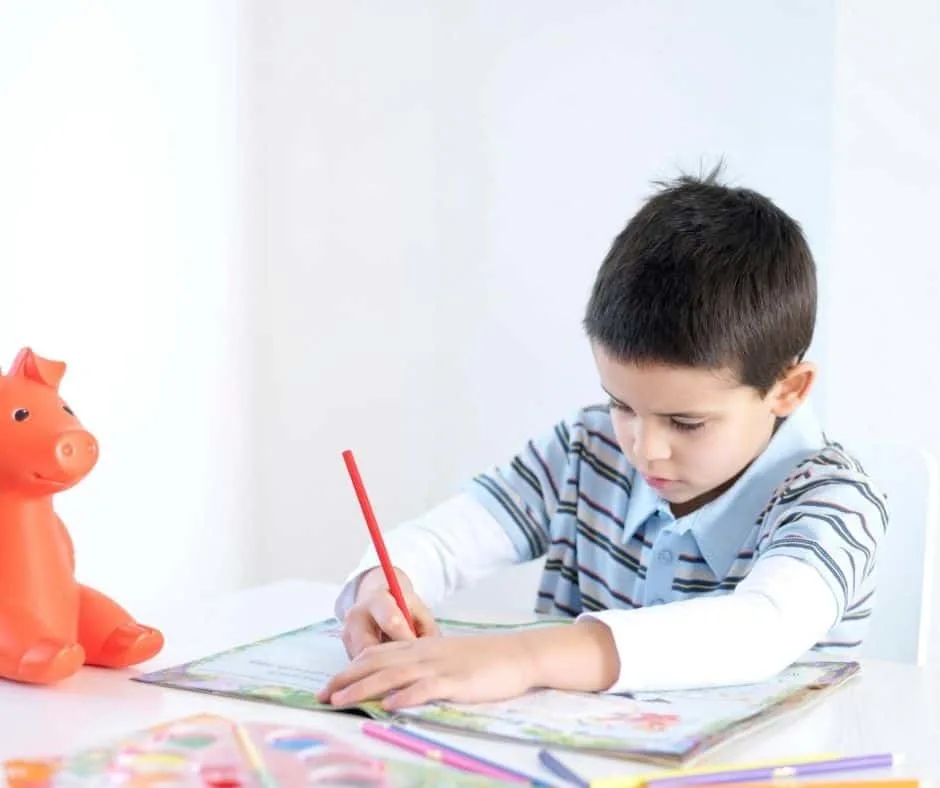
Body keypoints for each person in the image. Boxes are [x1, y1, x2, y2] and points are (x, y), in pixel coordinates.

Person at [317, 167, 887, 713]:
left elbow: (760, 627)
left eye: (686, 423)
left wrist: (522, 657)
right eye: (622, 405)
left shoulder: (835, 503)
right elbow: (449, 537)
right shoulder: (586, 450)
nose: (646, 448)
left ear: (788, 389)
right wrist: (380, 589)